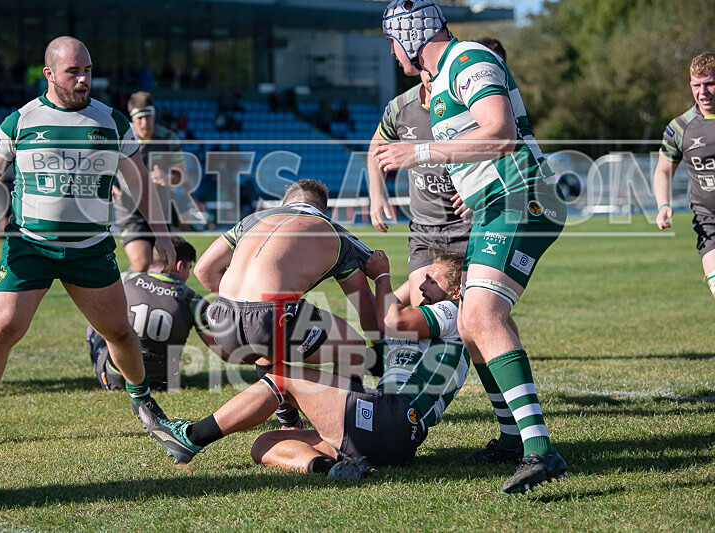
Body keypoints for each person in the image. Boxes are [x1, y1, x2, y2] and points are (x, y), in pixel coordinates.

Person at [0, 36, 178, 451]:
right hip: (31, 246)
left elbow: (140, 186)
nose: (83, 79)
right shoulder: (21, 121)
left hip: (90, 248)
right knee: (4, 325)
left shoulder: (112, 122)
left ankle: (143, 401)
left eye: (88, 70)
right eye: (73, 72)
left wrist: (163, 236)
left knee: (118, 331)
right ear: (49, 74)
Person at [377, 0, 567, 493]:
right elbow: (479, 144)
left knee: (482, 315)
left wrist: (418, 151)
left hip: (524, 198)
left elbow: (500, 133)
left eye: (395, 42)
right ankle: (512, 436)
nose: (395, 55)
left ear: (412, 36)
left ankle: (540, 450)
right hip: (497, 203)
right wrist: (473, 185)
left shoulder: (469, 61)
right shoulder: (440, 84)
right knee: (468, 321)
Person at [134, 248, 469, 480]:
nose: (421, 286)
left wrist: (381, 275)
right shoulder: (420, 333)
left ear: (455, 291)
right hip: (386, 435)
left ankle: (191, 437)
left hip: (394, 418)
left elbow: (391, 318)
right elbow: (376, 336)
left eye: (431, 281)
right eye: (422, 279)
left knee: (283, 377)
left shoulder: (453, 314)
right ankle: (331, 468)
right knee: (265, 444)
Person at [192, 179, 378, 431]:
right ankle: (350, 426)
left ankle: (290, 423)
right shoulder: (332, 229)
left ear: (284, 204)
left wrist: (240, 300)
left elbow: (203, 270)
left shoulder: (253, 218)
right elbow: (367, 313)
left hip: (222, 322)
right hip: (268, 319)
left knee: (268, 349)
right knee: (352, 347)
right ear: (324, 210)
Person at [368, 69, 472, 306]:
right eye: (427, 70)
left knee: (476, 310)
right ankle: (389, 324)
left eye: (439, 70)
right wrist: (377, 194)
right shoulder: (401, 107)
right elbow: (376, 148)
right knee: (423, 309)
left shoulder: (470, 105)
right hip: (425, 229)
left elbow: (500, 149)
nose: (433, 76)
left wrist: (478, 191)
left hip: (468, 226)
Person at [87, 238, 220, 391]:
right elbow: (219, 348)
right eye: (188, 268)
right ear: (179, 265)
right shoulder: (195, 300)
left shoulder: (126, 279)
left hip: (117, 378)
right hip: (163, 381)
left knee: (95, 320)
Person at [654, 53, 715, 300]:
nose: (703, 92)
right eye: (696, 85)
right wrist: (663, 205)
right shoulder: (680, 127)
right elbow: (663, 170)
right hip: (709, 224)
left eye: (710, 83)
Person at [115, 91, 186, 272]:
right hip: (130, 210)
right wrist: (110, 189)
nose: (145, 123)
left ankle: (142, 293)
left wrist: (168, 178)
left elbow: (182, 175)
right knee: (142, 263)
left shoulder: (168, 139)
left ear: (154, 114)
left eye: (148, 117)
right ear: (132, 118)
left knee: (164, 265)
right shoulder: (120, 137)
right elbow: (100, 165)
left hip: (160, 211)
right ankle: (128, 290)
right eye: (140, 119)